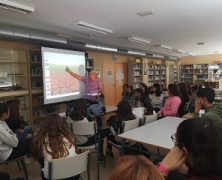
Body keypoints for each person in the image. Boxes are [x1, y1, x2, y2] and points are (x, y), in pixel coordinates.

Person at [32, 114, 78, 180]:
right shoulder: (70, 137)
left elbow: (38, 157)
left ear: (45, 125)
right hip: (73, 175)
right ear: (62, 124)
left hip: (52, 177)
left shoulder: (41, 139)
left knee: (42, 160)